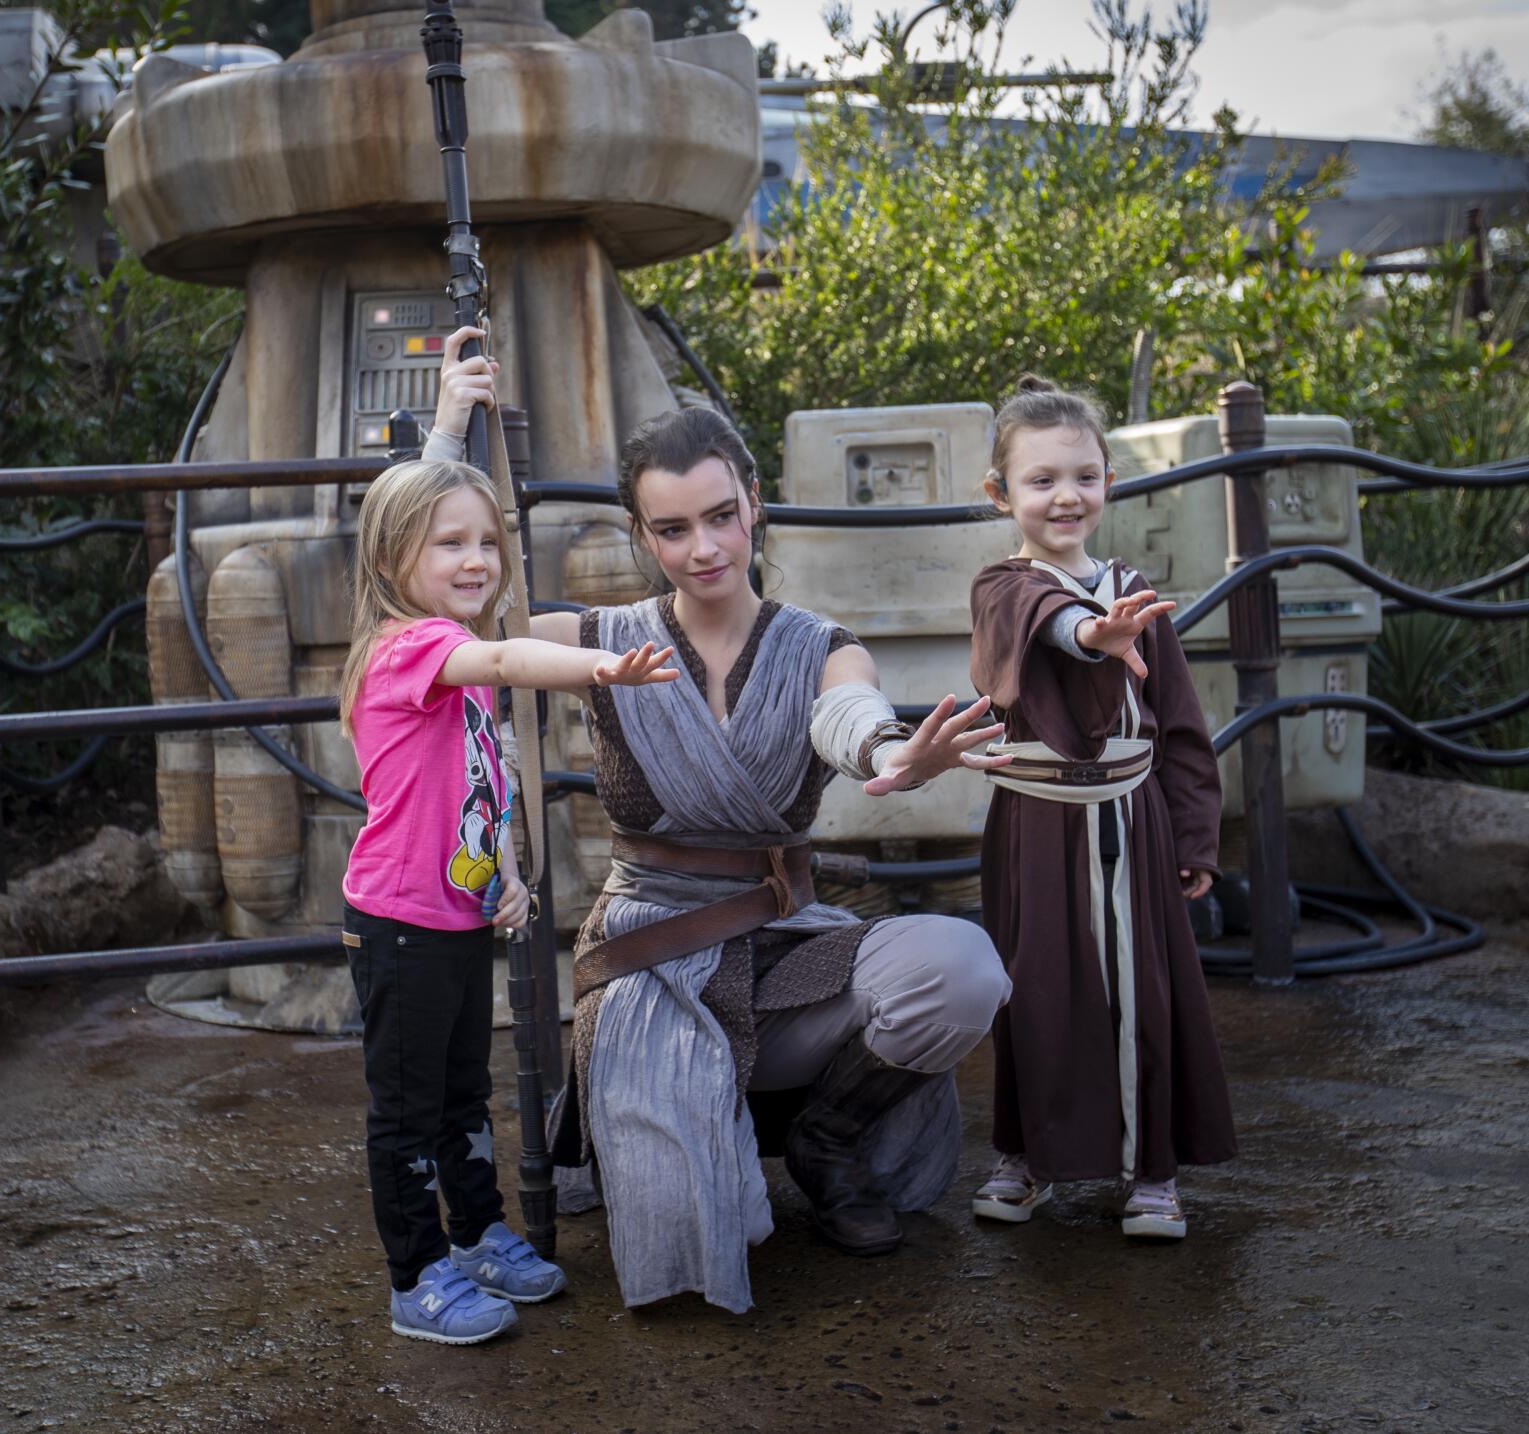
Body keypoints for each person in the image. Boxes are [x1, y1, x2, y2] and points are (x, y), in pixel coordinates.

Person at [423, 329, 1014, 1312]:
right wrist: (449, 432)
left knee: (961, 968)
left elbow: (847, 713)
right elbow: (430, 592)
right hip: (651, 957)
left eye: (718, 518)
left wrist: (890, 753)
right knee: (685, 1239)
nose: (700, 549)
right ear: (640, 535)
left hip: (783, 950)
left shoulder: (818, 643)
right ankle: (666, 1128)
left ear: (752, 506)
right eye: (668, 529)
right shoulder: (592, 642)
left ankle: (827, 1139)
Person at [338, 449, 678, 1343]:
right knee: (407, 1111)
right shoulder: (415, 646)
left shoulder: (462, 653)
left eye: (488, 540)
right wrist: (598, 672)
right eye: (449, 543)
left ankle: (478, 1231)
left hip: (454, 915)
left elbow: (478, 786)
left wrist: (511, 876)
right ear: (390, 562)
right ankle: (416, 1276)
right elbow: (513, 648)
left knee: (459, 1095)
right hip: (398, 926)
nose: (476, 559)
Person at [967, 376, 1236, 1241]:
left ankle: (1152, 1174)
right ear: (1000, 493)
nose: (1065, 496)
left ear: (1109, 483)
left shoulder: (1136, 591)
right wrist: (1094, 636)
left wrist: (1196, 835)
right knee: (1034, 991)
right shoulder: (1003, 589)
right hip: (1036, 829)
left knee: (1145, 993)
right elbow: (1047, 624)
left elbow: (1183, 729)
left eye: (1083, 475)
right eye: (1041, 479)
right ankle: (1027, 1155)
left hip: (1137, 820)